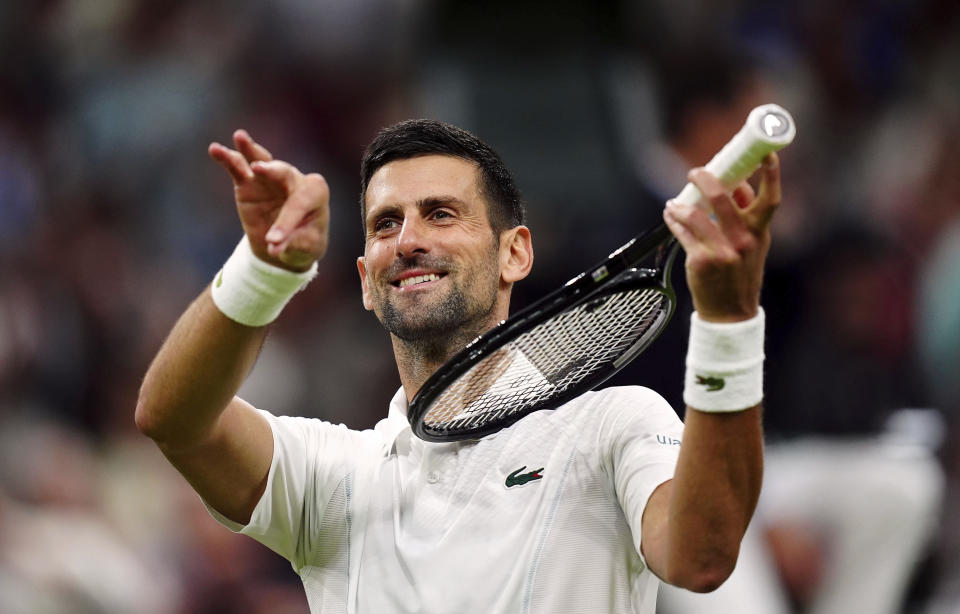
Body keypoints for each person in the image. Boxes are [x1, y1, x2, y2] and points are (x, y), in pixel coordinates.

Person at [135, 119, 781, 613]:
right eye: (386, 224)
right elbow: (174, 419)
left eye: (441, 214)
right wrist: (266, 272)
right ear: (364, 279)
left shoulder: (614, 424)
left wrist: (728, 324)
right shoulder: (335, 475)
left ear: (514, 254)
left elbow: (701, 557)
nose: (409, 240)